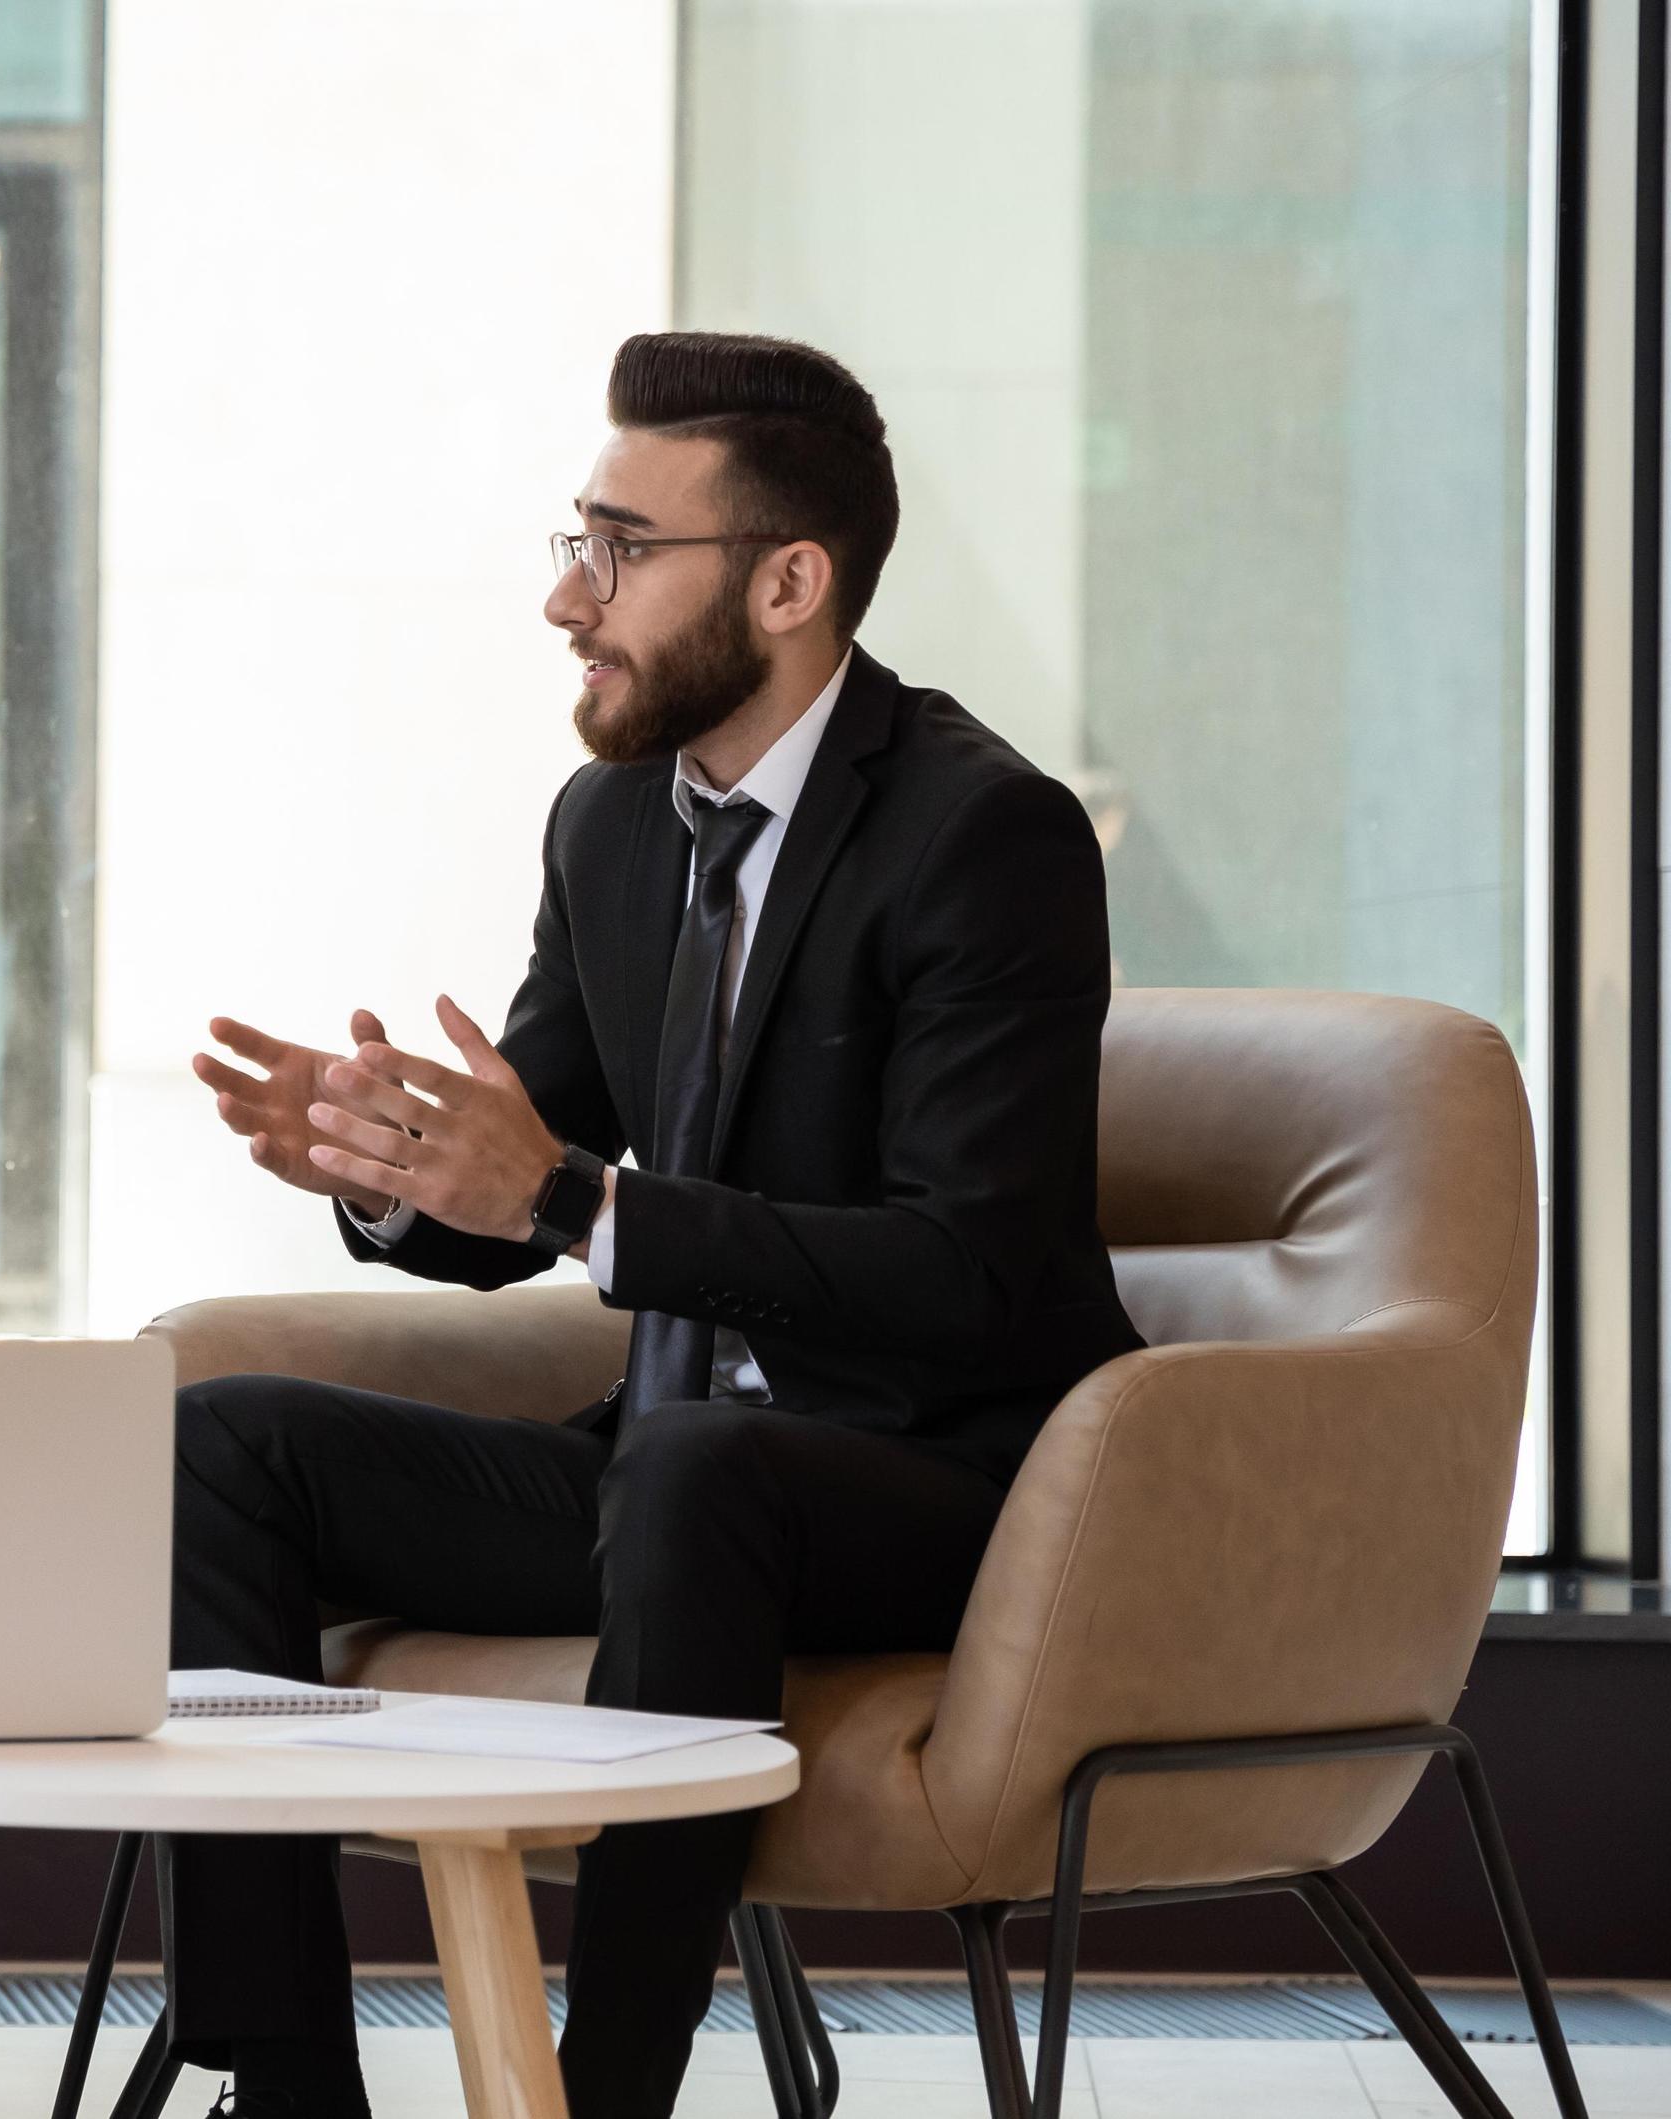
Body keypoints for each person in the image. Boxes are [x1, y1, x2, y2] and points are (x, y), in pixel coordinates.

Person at [172, 332, 1142, 2118]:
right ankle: (287, 2081)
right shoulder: (616, 822)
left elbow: (971, 1273)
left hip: (943, 1481)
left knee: (699, 1467)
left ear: (788, 581)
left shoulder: (983, 835)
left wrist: (563, 1198)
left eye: (620, 548)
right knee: (221, 1447)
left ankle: (599, 2091)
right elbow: (529, 1173)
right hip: (671, 1472)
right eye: (574, 537)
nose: (565, 597)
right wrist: (389, 1174)